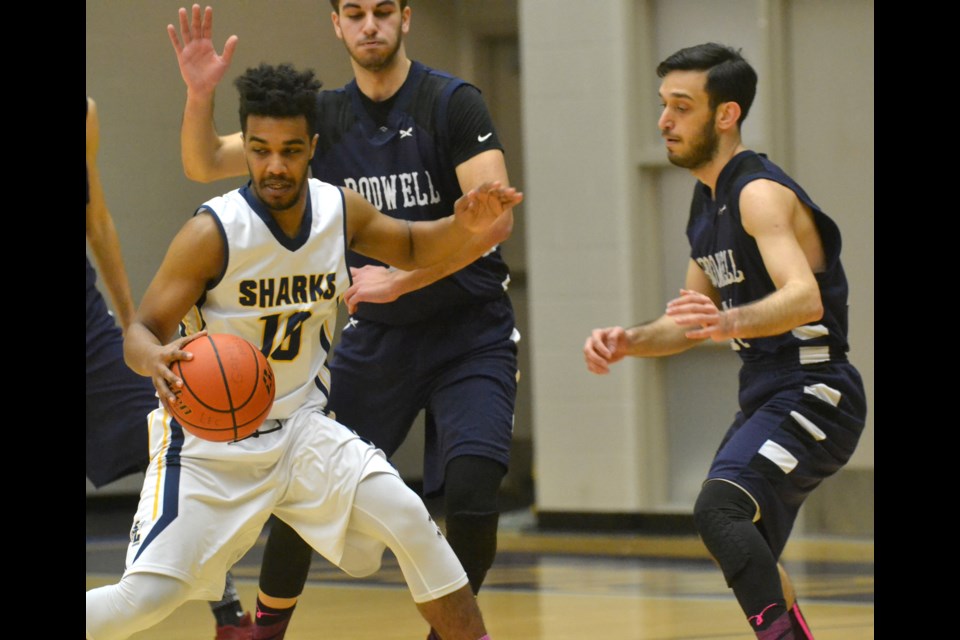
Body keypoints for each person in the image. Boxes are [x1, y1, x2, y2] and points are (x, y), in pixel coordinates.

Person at [84, 61, 520, 640]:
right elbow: (143, 329)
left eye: (290, 150)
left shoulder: (338, 211)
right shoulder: (212, 233)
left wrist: (463, 225)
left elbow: (414, 246)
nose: (274, 165)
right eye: (260, 150)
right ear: (247, 149)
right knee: (144, 601)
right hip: (209, 448)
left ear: (312, 146)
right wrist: (154, 358)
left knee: (410, 518)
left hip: (302, 432)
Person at [582, 43, 866, 640]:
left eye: (681, 107)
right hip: (766, 396)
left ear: (726, 114)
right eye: (663, 105)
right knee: (748, 545)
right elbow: (690, 319)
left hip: (816, 389)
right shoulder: (705, 201)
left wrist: (730, 322)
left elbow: (803, 298)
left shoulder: (758, 192)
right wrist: (627, 340)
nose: (664, 121)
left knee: (719, 508)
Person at [85, 96, 254, 640]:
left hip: (87, 317)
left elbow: (98, 220)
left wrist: (131, 320)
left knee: (166, 432)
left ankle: (226, 610)